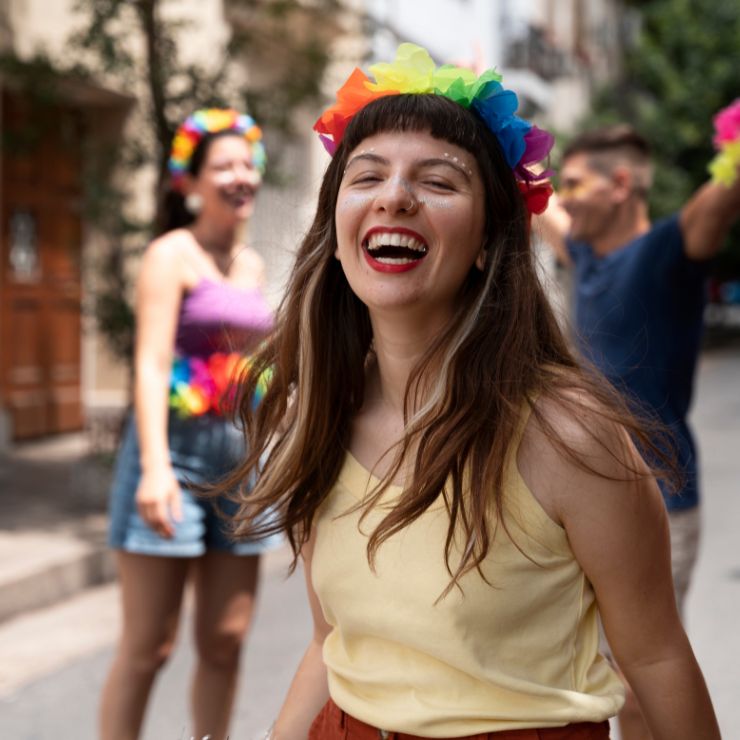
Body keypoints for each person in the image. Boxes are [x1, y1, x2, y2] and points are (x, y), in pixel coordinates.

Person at [220, 44, 720, 739]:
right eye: (367, 176)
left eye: (439, 181)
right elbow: (330, 643)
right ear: (335, 232)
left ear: (488, 241)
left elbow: (659, 661)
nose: (396, 195)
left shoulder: (569, 436)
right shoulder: (319, 412)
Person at [536, 116, 740, 739]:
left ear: (620, 184)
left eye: (575, 183)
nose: (562, 196)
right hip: (588, 501)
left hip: (662, 497)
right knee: (615, 681)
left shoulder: (666, 252)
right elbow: (530, 193)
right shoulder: (586, 258)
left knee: (640, 676)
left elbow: (723, 197)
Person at [100, 108, 281, 740]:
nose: (241, 175)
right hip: (172, 455)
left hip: (239, 460)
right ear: (191, 182)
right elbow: (150, 366)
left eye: (246, 163)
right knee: (150, 644)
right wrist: (154, 468)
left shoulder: (253, 266)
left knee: (226, 641)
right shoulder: (170, 255)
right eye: (223, 165)